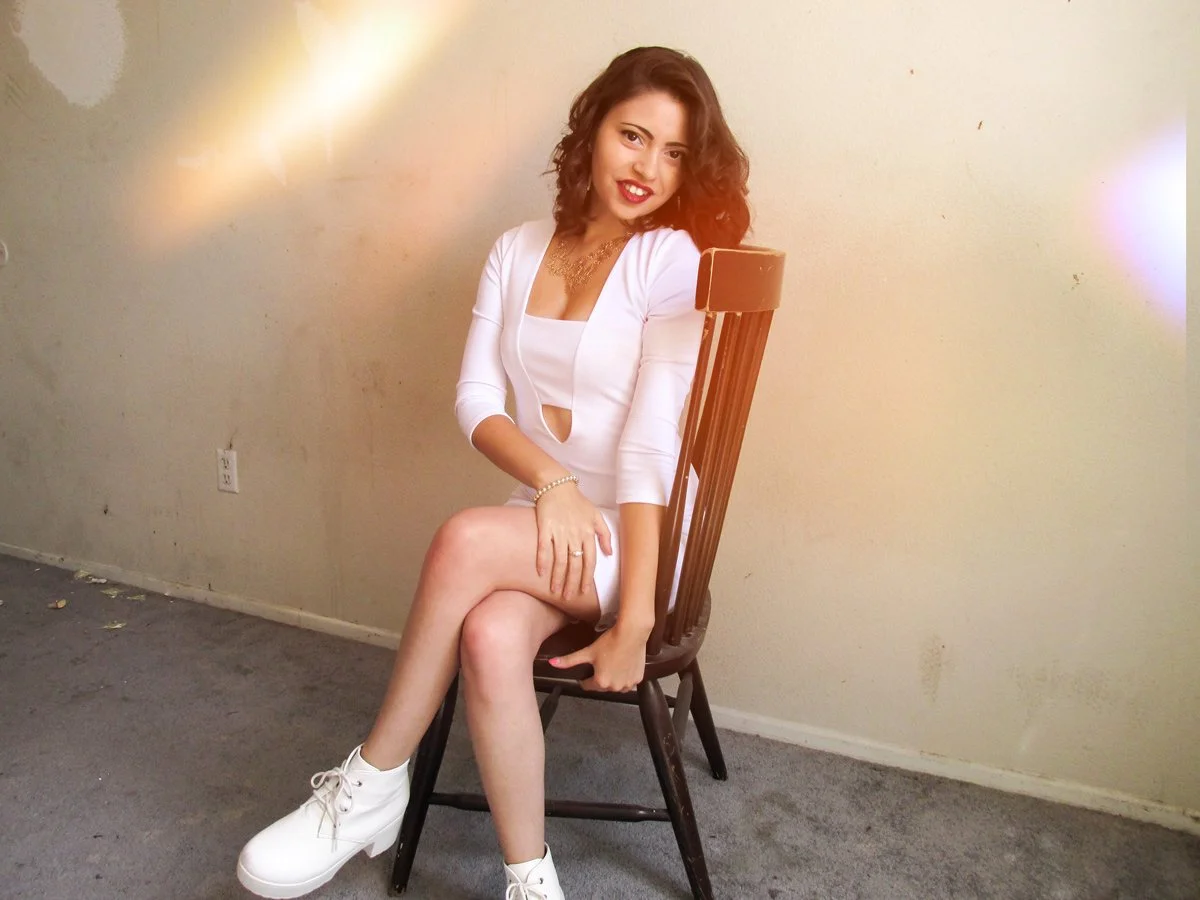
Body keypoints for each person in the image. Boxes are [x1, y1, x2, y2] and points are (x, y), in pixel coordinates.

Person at [236, 45, 750, 900]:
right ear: (591, 130)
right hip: (552, 514)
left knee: (465, 538)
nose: (648, 168)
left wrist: (636, 617)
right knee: (488, 634)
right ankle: (529, 878)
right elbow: (477, 400)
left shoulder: (668, 262)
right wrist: (551, 485)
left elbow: (653, 447)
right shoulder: (516, 249)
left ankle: (371, 783)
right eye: (633, 136)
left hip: (641, 531)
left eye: (673, 153)